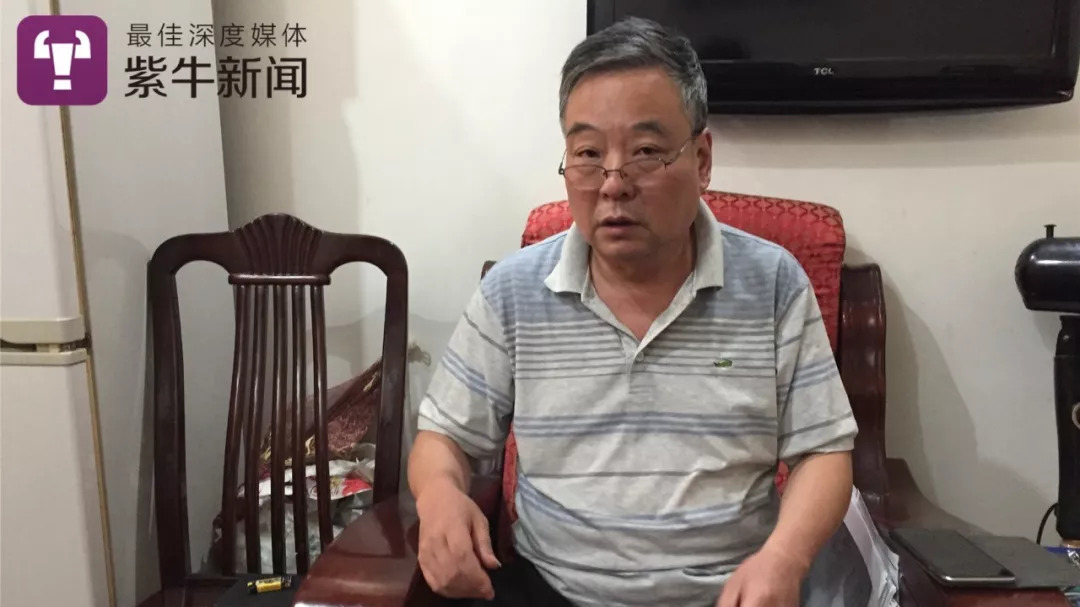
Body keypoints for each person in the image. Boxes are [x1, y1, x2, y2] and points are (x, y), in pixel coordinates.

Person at [407, 16, 858, 607]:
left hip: (728, 595)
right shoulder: (512, 292)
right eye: (588, 153)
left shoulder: (773, 282)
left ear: (702, 159)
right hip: (553, 591)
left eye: (645, 152)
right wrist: (440, 495)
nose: (613, 183)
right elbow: (443, 437)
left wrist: (784, 558)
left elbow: (823, 451)